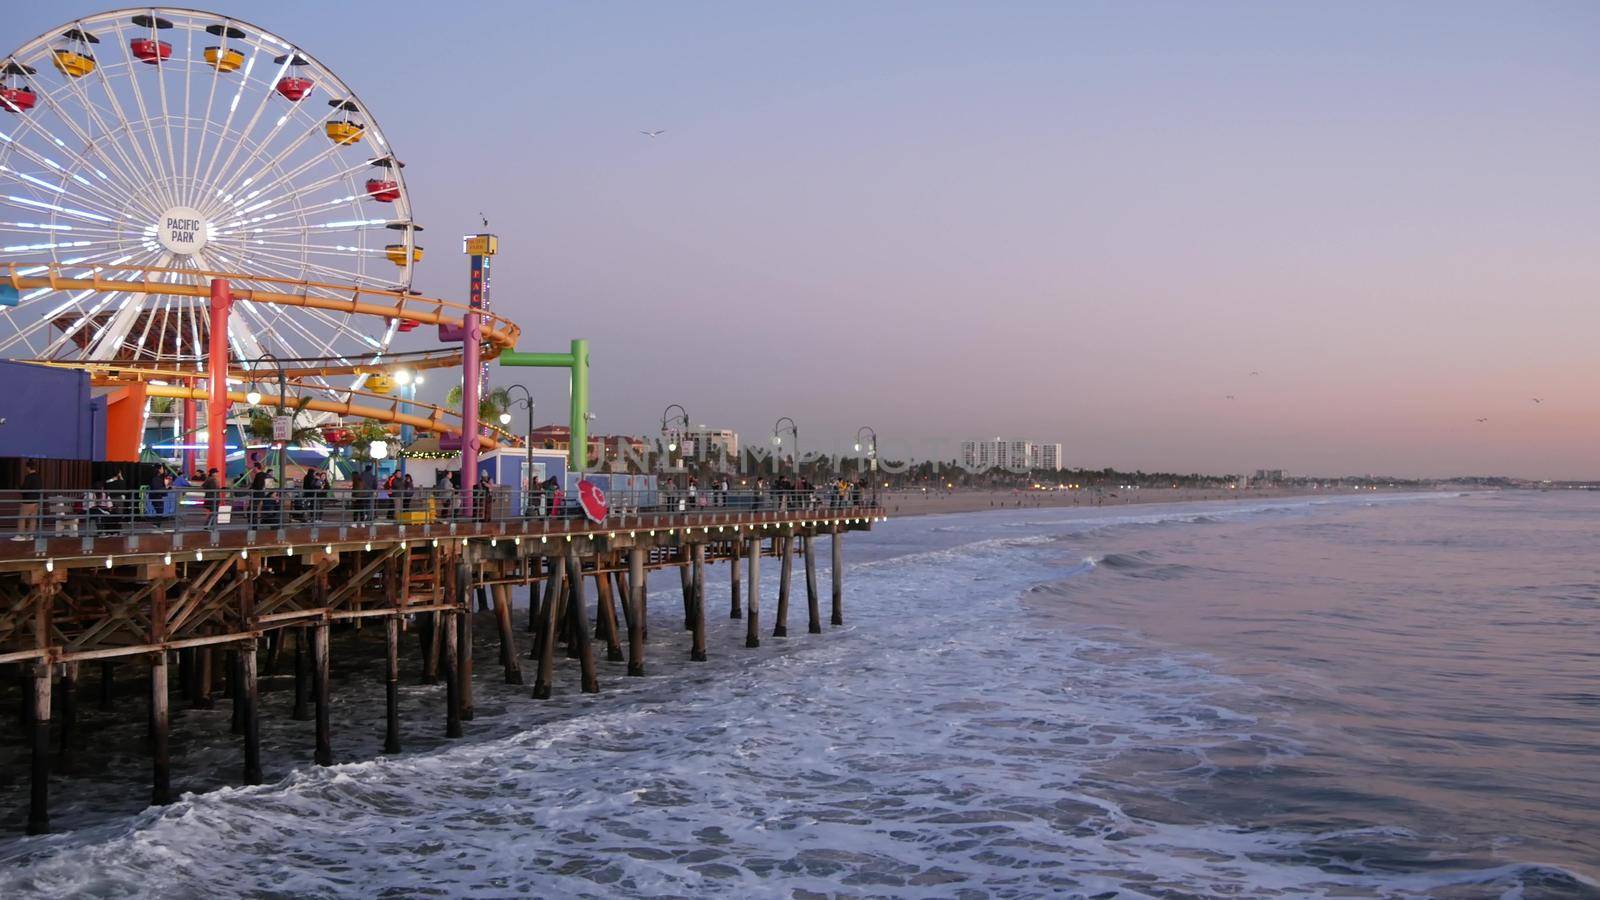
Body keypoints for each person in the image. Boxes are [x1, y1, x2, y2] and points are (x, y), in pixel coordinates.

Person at [14, 460, 41, 541]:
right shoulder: (39, 477)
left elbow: (25, 489)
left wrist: (19, 487)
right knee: (33, 519)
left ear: (28, 467)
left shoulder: (28, 477)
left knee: (22, 518)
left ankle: (21, 535)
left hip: (28, 501)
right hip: (36, 501)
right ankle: (30, 536)